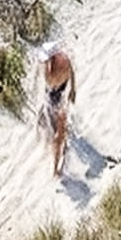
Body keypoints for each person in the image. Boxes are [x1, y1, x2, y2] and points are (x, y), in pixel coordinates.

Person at [41, 45, 78, 178]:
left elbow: (51, 86)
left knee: (58, 134)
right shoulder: (65, 58)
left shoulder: (49, 72)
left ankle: (56, 168)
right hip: (62, 91)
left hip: (56, 98)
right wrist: (73, 89)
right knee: (58, 126)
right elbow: (71, 72)